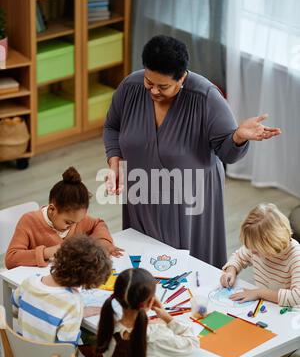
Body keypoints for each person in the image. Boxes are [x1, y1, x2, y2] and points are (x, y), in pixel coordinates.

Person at [104, 35, 281, 268]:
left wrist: (237, 137)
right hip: (141, 194)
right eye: (150, 82)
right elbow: (112, 126)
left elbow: (227, 153)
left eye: (163, 86)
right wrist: (114, 161)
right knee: (143, 262)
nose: (154, 91)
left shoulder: (206, 98)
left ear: (182, 78)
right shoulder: (131, 87)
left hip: (190, 204)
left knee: (187, 270)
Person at [219, 203, 300, 357]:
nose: (252, 252)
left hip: (292, 325)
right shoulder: (256, 245)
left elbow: (296, 296)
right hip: (265, 316)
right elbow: (240, 255)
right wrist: (231, 269)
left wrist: (259, 293)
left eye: (256, 249)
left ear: (272, 245)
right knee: (225, 345)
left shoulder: (296, 256)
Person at [12, 234, 112, 357]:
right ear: (83, 280)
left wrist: (69, 316)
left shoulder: (30, 282)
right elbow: (66, 352)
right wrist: (75, 312)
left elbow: (16, 309)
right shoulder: (72, 302)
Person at [96, 268, 198, 357]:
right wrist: (168, 318)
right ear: (150, 301)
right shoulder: (155, 335)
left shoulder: (106, 326)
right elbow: (192, 343)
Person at [5, 166, 123, 269]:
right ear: (52, 210)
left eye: (77, 222)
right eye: (68, 222)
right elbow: (11, 259)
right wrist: (47, 252)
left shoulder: (76, 220)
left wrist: (103, 242)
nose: (72, 226)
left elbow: (98, 224)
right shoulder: (29, 221)